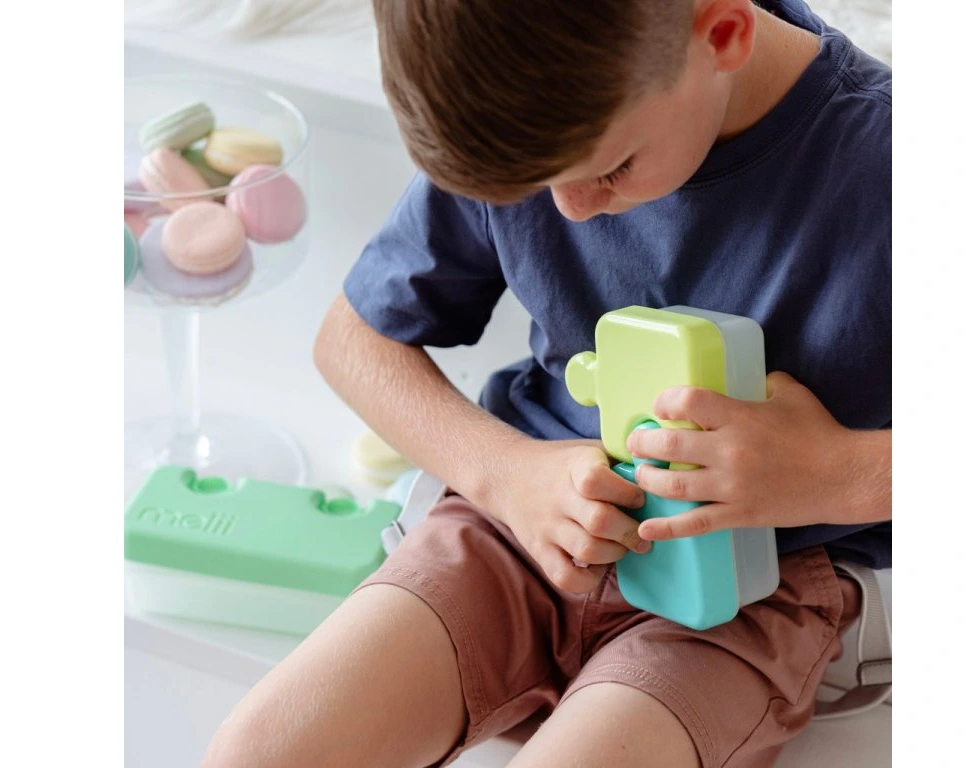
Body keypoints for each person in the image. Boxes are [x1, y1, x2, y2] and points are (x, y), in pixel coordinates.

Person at [204, 0, 891, 766]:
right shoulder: (519, 114)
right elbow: (352, 341)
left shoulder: (887, 167)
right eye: (535, 186)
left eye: (610, 169)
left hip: (754, 590)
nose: (572, 209)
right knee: (254, 752)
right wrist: (505, 476)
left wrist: (832, 472)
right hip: (525, 523)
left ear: (723, 34)